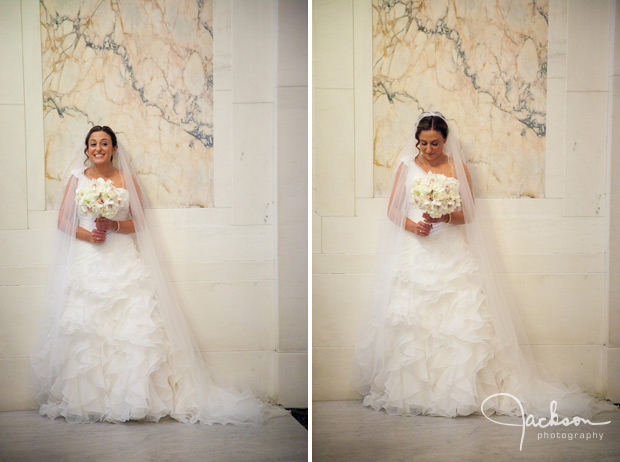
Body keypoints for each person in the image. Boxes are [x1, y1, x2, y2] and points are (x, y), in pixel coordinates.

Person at [351, 112, 618, 419]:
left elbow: (470, 214)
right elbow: (393, 210)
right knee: (414, 319)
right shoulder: (406, 167)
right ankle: (417, 392)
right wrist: (416, 227)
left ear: (445, 140)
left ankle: (460, 390)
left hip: (451, 251)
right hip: (417, 252)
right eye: (423, 143)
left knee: (461, 320)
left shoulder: (457, 167)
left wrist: (445, 216)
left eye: (434, 143)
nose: (428, 149)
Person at [30, 125, 288, 424]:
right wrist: (90, 235)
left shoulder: (127, 180)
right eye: (92, 144)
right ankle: (93, 400)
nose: (98, 148)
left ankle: (133, 397)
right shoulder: (78, 179)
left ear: (114, 148)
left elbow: (139, 223)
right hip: (89, 259)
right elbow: (63, 220)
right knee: (89, 325)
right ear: (86, 149)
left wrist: (112, 226)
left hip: (122, 258)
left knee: (132, 323)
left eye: (104, 143)